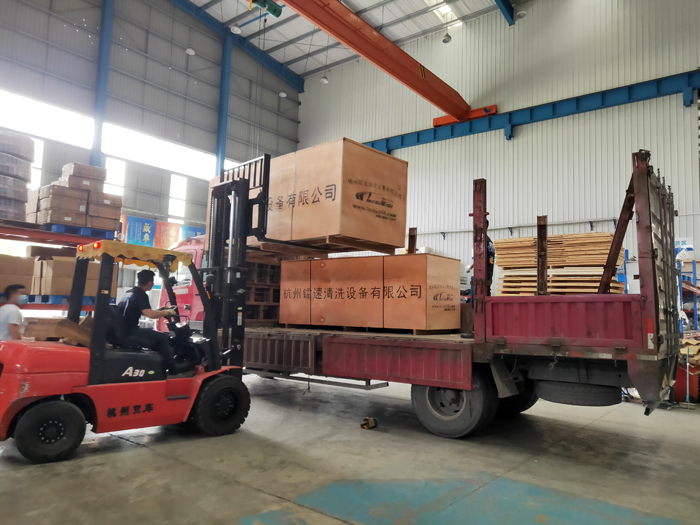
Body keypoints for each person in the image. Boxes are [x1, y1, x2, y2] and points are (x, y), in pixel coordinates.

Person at [117, 269, 186, 373]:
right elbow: (150, 315)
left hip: (123, 329)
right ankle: (172, 368)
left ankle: (159, 365)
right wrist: (167, 312)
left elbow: (144, 312)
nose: (153, 284)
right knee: (163, 338)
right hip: (130, 331)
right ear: (150, 282)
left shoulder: (130, 292)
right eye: (153, 281)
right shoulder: (141, 294)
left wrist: (162, 310)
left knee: (161, 335)